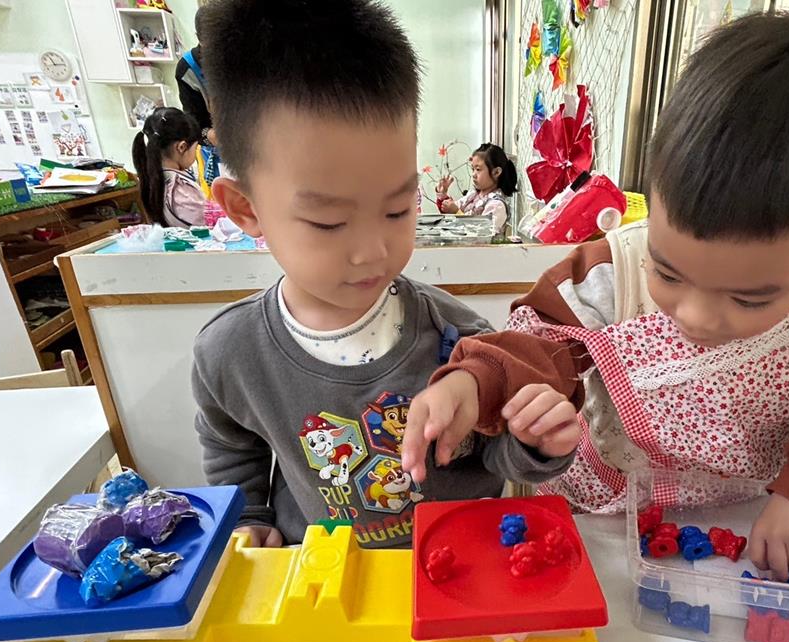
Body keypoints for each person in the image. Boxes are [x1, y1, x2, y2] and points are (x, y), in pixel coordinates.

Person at [401, 12, 789, 579]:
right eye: (668, 273)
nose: (695, 316)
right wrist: (476, 382)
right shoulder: (614, 269)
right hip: (592, 512)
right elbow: (538, 345)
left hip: (746, 519)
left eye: (748, 299)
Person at [191, 0, 580, 550]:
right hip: (325, 577)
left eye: (398, 209)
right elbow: (232, 447)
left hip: (456, 566)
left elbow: (499, 449)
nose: (374, 251)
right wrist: (249, 515)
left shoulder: (458, 337)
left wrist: (534, 441)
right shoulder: (230, 353)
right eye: (329, 222)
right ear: (245, 208)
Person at [131, 107, 205, 228]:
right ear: (181, 147)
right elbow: (210, 223)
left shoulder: (153, 178)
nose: (196, 153)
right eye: (195, 148)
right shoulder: (180, 188)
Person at [174, 5, 220, 192]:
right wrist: (213, 136)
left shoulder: (243, 58)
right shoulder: (187, 69)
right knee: (220, 201)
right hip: (215, 150)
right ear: (199, 38)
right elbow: (194, 125)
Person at [436, 143, 517, 234]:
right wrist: (443, 195)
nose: (473, 174)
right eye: (473, 169)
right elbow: (450, 210)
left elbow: (483, 234)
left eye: (478, 169)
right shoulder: (473, 195)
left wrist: (457, 213)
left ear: (496, 172)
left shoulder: (497, 205)